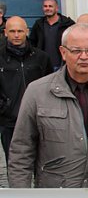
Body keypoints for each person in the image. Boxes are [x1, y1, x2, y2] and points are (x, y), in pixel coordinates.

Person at [8, 24, 88, 188]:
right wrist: (22, 197)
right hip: (58, 196)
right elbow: (21, 151)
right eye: (76, 51)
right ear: (63, 52)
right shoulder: (37, 92)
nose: (84, 57)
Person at [0, 16, 52, 159]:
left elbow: (51, 86)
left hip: (38, 118)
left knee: (41, 161)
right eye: (12, 31)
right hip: (9, 121)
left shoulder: (41, 57)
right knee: (14, 162)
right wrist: (4, 108)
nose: (16, 35)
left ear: (27, 32)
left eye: (20, 31)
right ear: (5, 32)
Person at [29, 0, 75, 71]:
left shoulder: (68, 24)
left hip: (63, 65)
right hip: (43, 66)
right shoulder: (38, 24)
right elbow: (32, 42)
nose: (47, 8)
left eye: (50, 6)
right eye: (45, 6)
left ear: (57, 8)